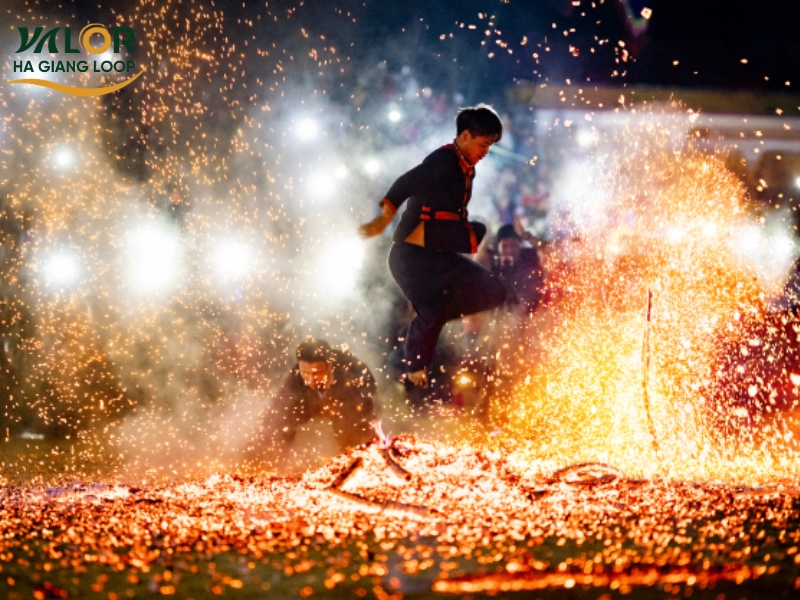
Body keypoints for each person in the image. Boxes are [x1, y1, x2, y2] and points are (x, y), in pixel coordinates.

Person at [360, 104, 507, 399]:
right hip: (410, 256)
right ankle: (415, 363)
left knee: (495, 291)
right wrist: (383, 219)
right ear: (465, 136)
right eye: (483, 144)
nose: (485, 152)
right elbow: (406, 182)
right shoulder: (443, 161)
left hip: (439, 255)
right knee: (432, 311)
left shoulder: (467, 167)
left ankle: (432, 316)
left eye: (490, 146)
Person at [258, 338, 376, 462]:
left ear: (329, 365)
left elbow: (369, 392)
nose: (310, 379)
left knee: (349, 423)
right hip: (311, 403)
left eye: (316, 373)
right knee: (276, 422)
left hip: (346, 402)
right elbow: (277, 409)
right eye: (306, 373)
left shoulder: (351, 371)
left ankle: (355, 460)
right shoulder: (296, 377)